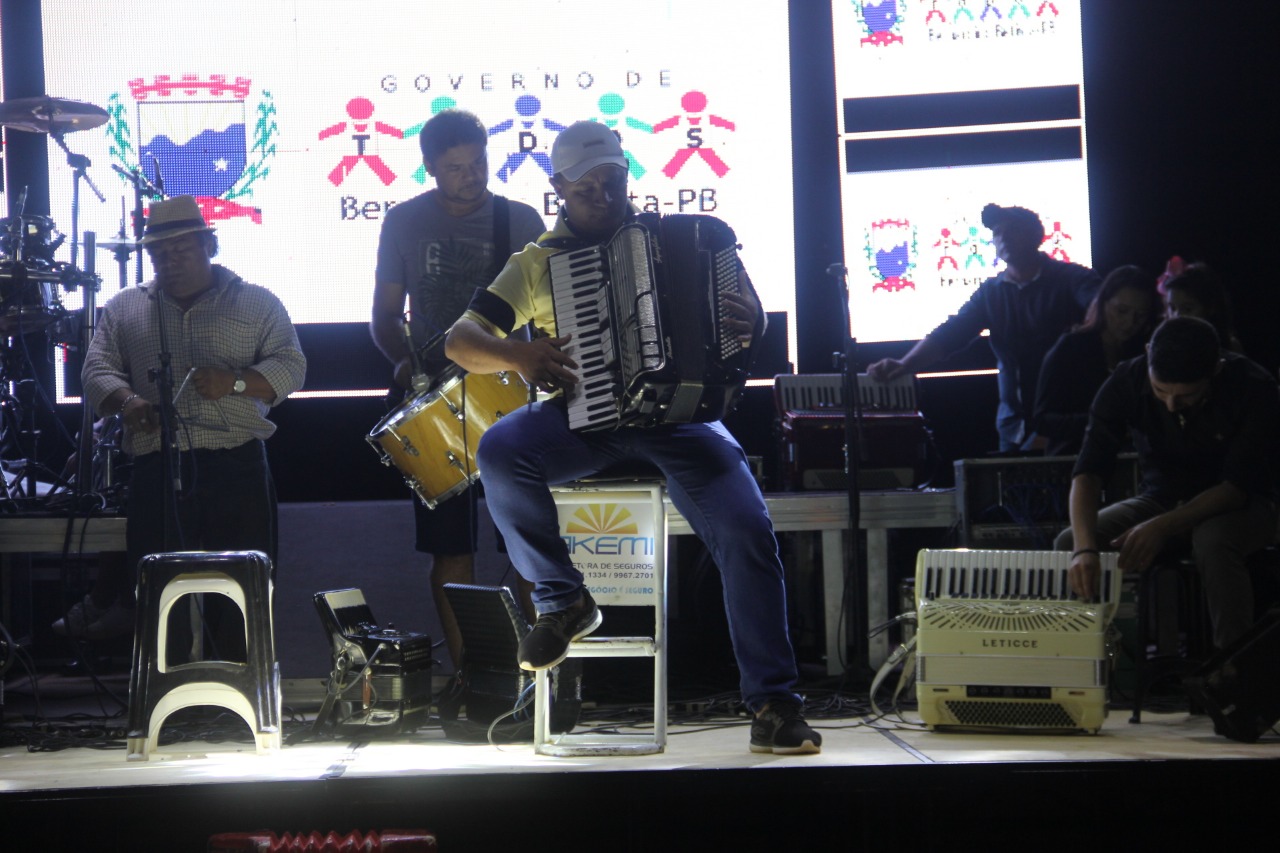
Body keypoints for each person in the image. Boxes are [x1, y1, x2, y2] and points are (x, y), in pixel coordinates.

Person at [444, 121, 821, 755]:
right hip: (581, 419)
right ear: (558, 188)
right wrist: (517, 354)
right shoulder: (536, 263)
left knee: (747, 530)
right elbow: (460, 341)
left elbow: (743, 324)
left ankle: (774, 705)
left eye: (612, 182)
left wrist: (750, 322)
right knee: (499, 450)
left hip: (681, 420)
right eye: (586, 187)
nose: (603, 196)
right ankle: (564, 600)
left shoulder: (680, 241)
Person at [79, 195, 306, 657]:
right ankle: (169, 690)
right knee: (160, 590)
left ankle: (238, 688)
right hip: (157, 464)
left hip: (236, 463)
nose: (170, 260)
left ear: (209, 245)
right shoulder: (125, 307)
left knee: (242, 586)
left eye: (181, 249)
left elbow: (291, 367)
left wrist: (234, 381)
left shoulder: (257, 302)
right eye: (159, 253)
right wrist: (128, 401)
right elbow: (95, 369)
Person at [371, 109, 545, 670]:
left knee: (528, 545)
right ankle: (472, 676)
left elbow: (550, 313)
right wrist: (403, 363)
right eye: (456, 168)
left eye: (478, 164)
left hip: (511, 402)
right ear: (428, 167)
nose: (471, 177)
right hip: (435, 400)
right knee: (451, 549)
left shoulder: (520, 219)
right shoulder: (403, 222)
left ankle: (545, 679)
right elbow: (384, 314)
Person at [1058, 316, 1279, 650]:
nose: (1171, 405)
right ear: (1148, 353)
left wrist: (1162, 526)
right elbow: (1088, 472)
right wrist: (1084, 549)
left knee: (1213, 541)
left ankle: (1234, 665)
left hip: (1247, 503)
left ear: (1216, 369)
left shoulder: (1254, 386)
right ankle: (1090, 660)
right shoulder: (1125, 381)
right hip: (1161, 498)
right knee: (1069, 542)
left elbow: (1235, 488)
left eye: (1187, 395)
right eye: (1160, 390)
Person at [868, 204, 1100, 451]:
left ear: (1036, 236)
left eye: (1013, 230)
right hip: (1014, 428)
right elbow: (951, 334)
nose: (1004, 238)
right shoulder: (991, 292)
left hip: (1066, 426)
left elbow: (1104, 304)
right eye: (997, 232)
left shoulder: (1071, 278)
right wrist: (904, 364)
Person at [1031, 265, 1158, 455]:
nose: (1130, 322)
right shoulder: (1071, 347)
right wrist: (1105, 422)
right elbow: (1042, 420)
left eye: (1140, 315)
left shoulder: (1143, 351)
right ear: (1103, 303)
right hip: (1074, 456)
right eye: (1121, 311)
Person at [1161, 262, 1245, 354]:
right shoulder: (1164, 347)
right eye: (1172, 308)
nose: (1177, 316)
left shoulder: (1229, 346)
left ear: (1210, 307)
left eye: (1188, 309)